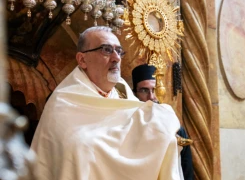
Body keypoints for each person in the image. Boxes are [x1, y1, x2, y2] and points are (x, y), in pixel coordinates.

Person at [31, 26, 183, 180]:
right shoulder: (63, 101)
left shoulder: (124, 95)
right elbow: (68, 154)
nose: (116, 58)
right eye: (106, 50)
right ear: (82, 60)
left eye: (119, 51)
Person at [132, 64, 194, 180]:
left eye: (155, 90)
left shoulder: (175, 128)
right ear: (135, 93)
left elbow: (187, 170)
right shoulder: (129, 127)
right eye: (144, 90)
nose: (151, 97)